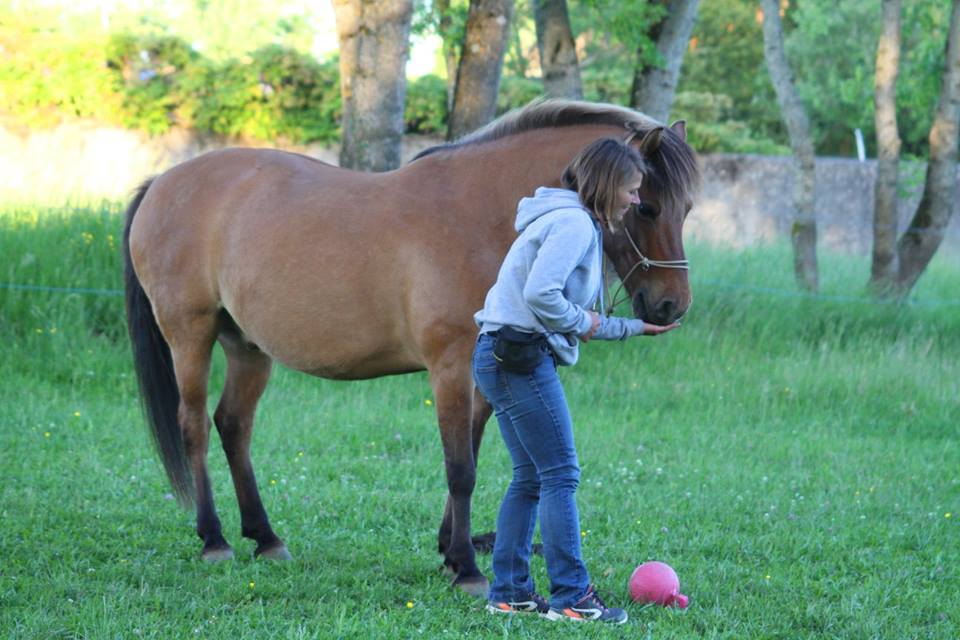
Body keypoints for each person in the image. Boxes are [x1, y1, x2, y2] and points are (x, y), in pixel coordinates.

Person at [472, 137, 681, 624]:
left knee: (529, 477)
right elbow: (542, 294)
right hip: (519, 356)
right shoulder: (572, 224)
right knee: (560, 475)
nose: (634, 200)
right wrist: (583, 323)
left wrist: (630, 327)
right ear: (607, 186)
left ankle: (510, 591)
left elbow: (562, 310)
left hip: (499, 352)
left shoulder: (558, 217)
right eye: (630, 190)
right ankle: (572, 597)